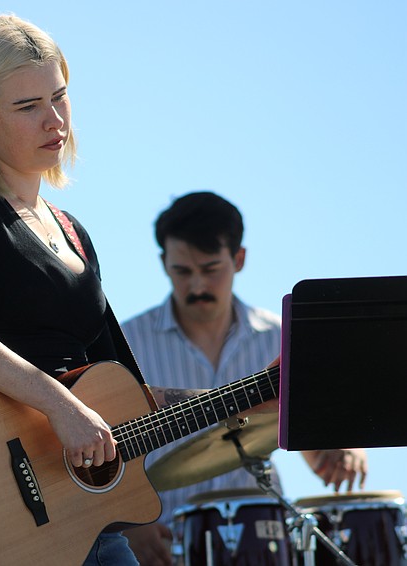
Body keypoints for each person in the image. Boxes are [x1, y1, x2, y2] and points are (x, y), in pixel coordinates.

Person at [0, 14, 181, 565]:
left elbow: (118, 392)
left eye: (60, 97)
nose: (54, 120)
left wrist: (254, 399)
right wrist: (58, 404)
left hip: (87, 521)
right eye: (28, 107)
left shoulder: (74, 231)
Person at [120, 191, 369, 564]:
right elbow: (99, 449)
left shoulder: (280, 338)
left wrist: (341, 448)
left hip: (264, 541)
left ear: (239, 259)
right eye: (182, 271)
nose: (197, 287)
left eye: (210, 269)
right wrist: (125, 527)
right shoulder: (126, 345)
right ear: (163, 262)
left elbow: (316, 442)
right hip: (164, 545)